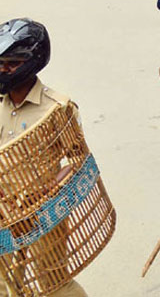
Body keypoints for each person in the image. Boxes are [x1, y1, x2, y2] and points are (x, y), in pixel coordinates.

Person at [0, 19, 92, 297]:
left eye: (11, 64)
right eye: (0, 63)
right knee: (3, 281)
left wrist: (46, 192)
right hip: (4, 210)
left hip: (44, 212)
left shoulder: (56, 108)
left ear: (32, 63)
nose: (3, 70)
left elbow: (79, 161)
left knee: (54, 282)